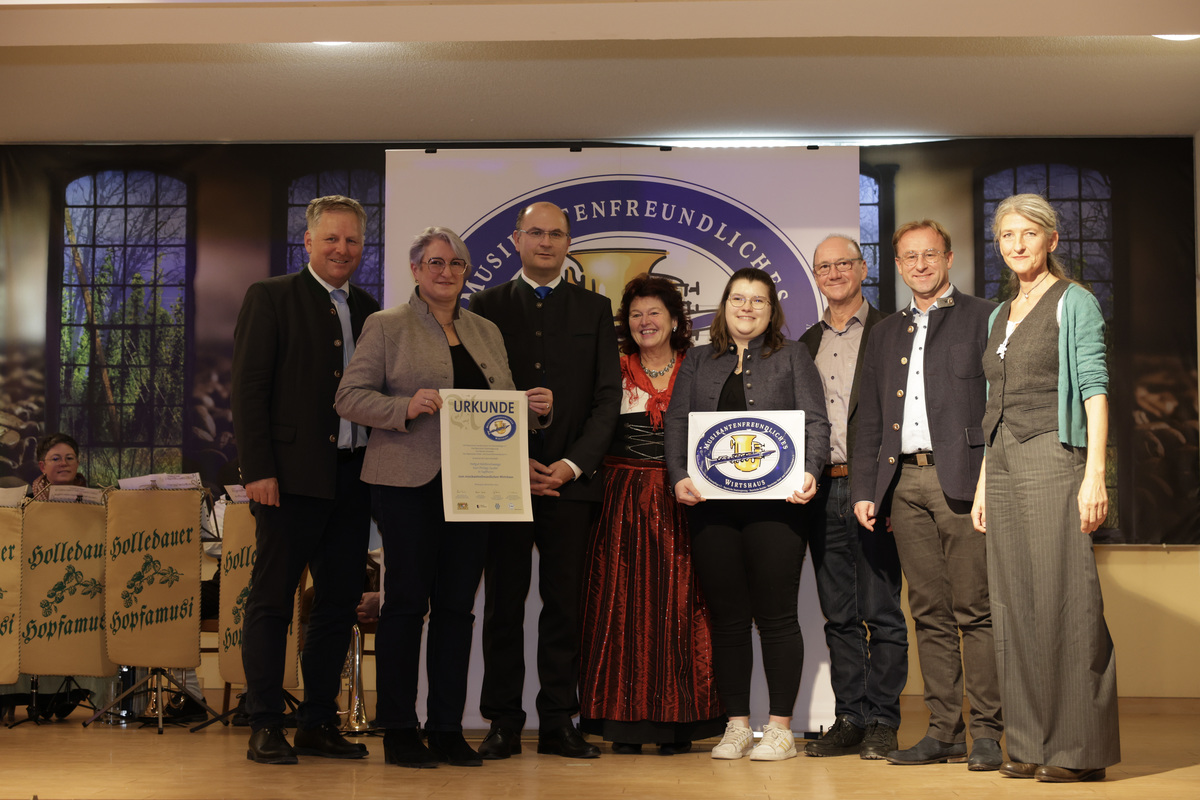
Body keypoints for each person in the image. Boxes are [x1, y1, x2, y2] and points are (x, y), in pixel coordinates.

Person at [334, 227, 553, 769]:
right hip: (406, 483)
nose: (446, 271)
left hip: (476, 488)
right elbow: (348, 397)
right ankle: (400, 730)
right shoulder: (385, 326)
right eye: (435, 262)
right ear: (415, 269)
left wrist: (534, 411)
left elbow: (497, 410)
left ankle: (447, 728)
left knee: (457, 609)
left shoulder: (486, 331)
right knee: (406, 605)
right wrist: (403, 407)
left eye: (456, 264)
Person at [971, 194, 1119, 783]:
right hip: (1003, 462)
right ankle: (1031, 743)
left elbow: (1094, 388)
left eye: (1027, 234)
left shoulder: (1074, 301)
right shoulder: (998, 314)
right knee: (1012, 605)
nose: (1015, 245)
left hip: (1054, 457)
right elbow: (991, 405)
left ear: (1051, 240)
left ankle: (1078, 752)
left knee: (1065, 602)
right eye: (1006, 236)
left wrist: (1094, 474)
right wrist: (984, 482)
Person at [468, 202, 622, 759]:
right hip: (499, 484)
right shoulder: (481, 309)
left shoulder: (596, 308)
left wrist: (572, 464)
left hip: (571, 485)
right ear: (516, 240)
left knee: (565, 606)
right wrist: (510, 464)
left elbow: (609, 400)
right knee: (503, 606)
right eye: (536, 232)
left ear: (568, 243)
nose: (547, 242)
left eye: (557, 234)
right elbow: (468, 403)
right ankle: (504, 721)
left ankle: (559, 719)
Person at [232, 195, 379, 765]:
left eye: (353, 241)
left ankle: (318, 722)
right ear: (308, 242)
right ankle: (265, 722)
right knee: (271, 602)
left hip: (352, 480)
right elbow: (248, 390)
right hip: (287, 481)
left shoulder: (370, 310)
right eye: (332, 239)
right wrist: (258, 469)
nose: (343, 249)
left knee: (338, 604)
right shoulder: (270, 297)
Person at [851, 220, 1003, 770]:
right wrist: (867, 488)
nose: (920, 264)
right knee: (929, 613)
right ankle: (944, 731)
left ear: (949, 257)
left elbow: (998, 405)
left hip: (964, 481)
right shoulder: (885, 331)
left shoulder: (985, 316)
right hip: (903, 486)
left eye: (929, 254)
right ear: (897, 264)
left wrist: (991, 477)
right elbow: (868, 417)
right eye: (909, 256)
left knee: (975, 611)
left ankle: (986, 732)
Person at [665, 267, 830, 762]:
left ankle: (779, 728)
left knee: (777, 616)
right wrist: (678, 476)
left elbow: (815, 421)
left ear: (771, 309)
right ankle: (736, 725)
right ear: (724, 304)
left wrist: (811, 471)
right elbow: (677, 423)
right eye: (739, 298)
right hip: (712, 510)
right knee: (728, 620)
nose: (747, 307)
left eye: (758, 300)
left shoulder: (793, 355)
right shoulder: (697, 359)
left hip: (778, 507)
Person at [578, 274, 725, 756]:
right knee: (622, 607)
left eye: (654, 313)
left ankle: (679, 721)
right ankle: (622, 721)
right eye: (636, 314)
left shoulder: (698, 368)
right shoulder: (612, 370)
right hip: (623, 500)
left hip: (684, 498)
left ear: (676, 320)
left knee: (683, 607)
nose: (645, 322)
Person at [798, 236, 907, 760]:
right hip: (823, 490)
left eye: (845, 262)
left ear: (863, 268)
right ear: (816, 275)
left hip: (876, 488)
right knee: (838, 613)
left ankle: (883, 719)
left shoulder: (894, 331)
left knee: (882, 610)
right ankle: (850, 717)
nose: (836, 271)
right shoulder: (802, 343)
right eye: (826, 265)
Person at [30, 432, 87, 499]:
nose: (64, 463)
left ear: (77, 463)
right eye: (56, 459)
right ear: (43, 467)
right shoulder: (27, 504)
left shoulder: (94, 502)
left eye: (69, 458)